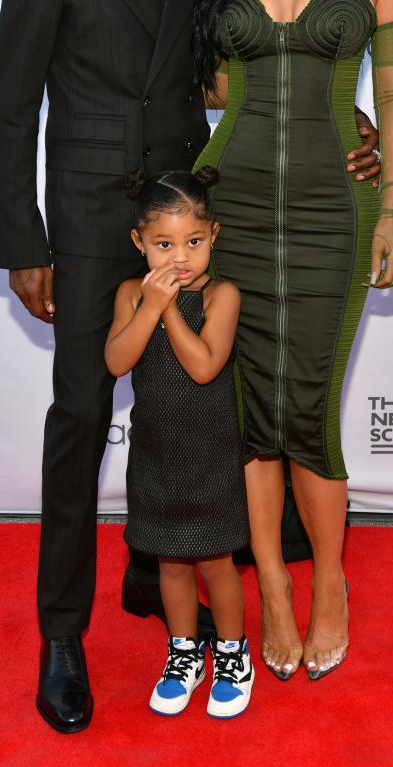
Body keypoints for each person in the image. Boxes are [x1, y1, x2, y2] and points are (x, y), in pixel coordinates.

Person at [0, 0, 381, 732]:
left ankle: (167, 568)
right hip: (82, 224)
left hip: (193, 222)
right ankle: (61, 636)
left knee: (200, 408)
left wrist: (350, 120)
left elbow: (227, 83)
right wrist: (21, 238)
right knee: (81, 416)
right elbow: (10, 102)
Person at [193, 0, 393, 682]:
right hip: (230, 202)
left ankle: (330, 580)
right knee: (249, 413)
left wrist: (392, 202)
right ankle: (272, 587)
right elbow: (213, 88)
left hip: (335, 210)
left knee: (311, 406)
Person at [105, 167, 253, 718]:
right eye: (163, 244)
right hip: (157, 454)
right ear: (138, 242)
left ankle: (234, 655)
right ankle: (184, 653)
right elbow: (117, 361)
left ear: (213, 235)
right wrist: (147, 306)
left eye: (193, 242)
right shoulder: (129, 293)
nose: (179, 258)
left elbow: (204, 367)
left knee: (217, 563)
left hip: (210, 453)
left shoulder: (222, 294)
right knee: (170, 563)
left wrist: (166, 308)